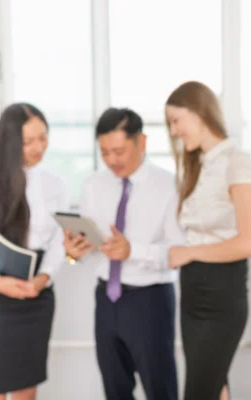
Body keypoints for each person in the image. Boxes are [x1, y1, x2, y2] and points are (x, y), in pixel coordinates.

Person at [63, 107, 184, 400]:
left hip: (150, 299)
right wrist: (74, 252)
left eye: (118, 151)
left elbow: (179, 251)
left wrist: (133, 250)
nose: (111, 160)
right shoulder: (94, 184)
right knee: (114, 389)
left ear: (141, 141)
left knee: (160, 389)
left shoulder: (170, 185)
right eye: (104, 152)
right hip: (106, 299)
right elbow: (93, 248)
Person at [0, 103, 68, 400]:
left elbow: (58, 242)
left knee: (26, 390)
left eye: (43, 137)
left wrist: (44, 278)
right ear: (9, 141)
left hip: (36, 295)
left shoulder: (55, 183)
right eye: (28, 141)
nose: (38, 147)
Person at [164, 81, 251, 400]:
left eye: (176, 121)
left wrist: (189, 252)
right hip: (192, 292)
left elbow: (250, 243)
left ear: (199, 113)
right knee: (213, 386)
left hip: (221, 295)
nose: (174, 131)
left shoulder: (236, 161)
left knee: (198, 392)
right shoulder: (197, 165)